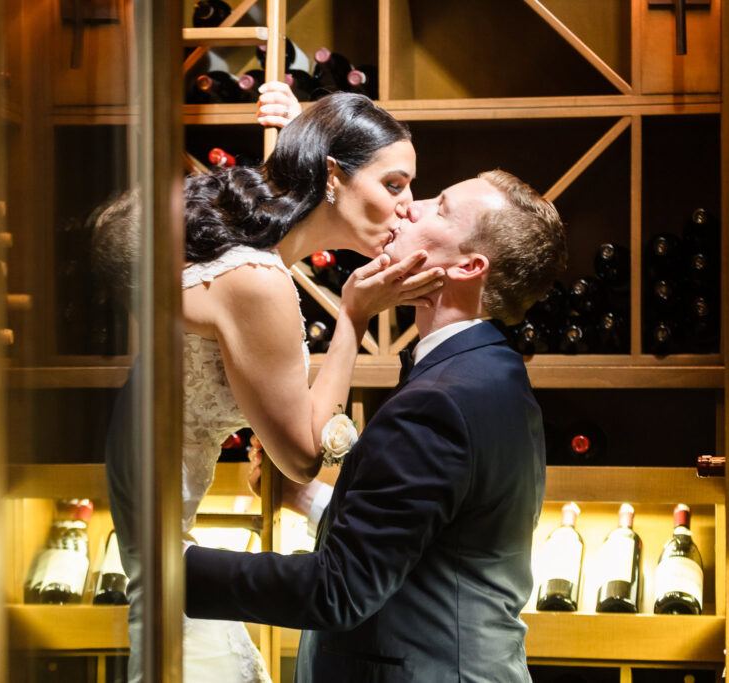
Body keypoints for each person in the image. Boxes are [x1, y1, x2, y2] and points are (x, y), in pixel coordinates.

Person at [100, 90, 446, 683]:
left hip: (160, 549)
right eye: (395, 185)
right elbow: (302, 456)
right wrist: (352, 320)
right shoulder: (257, 278)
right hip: (168, 559)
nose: (408, 207)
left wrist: (308, 123)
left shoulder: (247, 259)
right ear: (333, 175)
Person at [183, 170, 569, 682]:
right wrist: (312, 502)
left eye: (441, 207)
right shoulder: (490, 370)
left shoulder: (443, 399)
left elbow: (337, 592)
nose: (412, 206)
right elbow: (437, 541)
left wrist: (173, 567)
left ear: (469, 266)